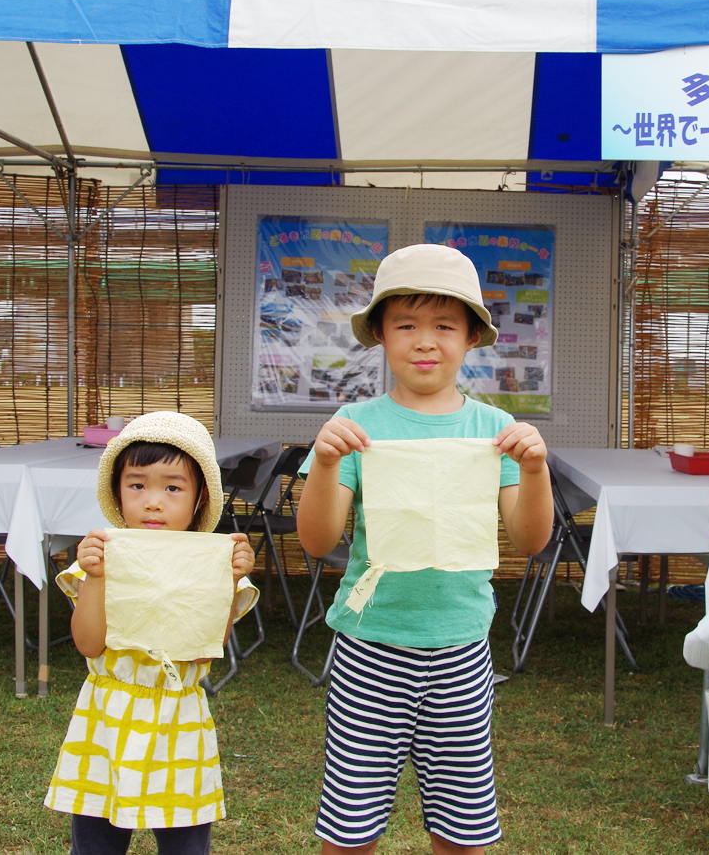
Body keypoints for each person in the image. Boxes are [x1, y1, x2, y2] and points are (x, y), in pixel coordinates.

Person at [295, 244, 555, 855]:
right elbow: (317, 540)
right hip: (368, 645)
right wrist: (328, 461)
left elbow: (530, 539)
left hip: (461, 646)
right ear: (382, 336)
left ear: (470, 338)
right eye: (406, 325)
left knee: (463, 830)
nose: (424, 341)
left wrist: (538, 470)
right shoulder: (355, 424)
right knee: (350, 826)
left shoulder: (494, 431)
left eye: (444, 325)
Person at [44, 411, 258, 855]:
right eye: (137, 484)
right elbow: (87, 643)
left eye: (172, 487)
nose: (153, 501)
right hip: (107, 717)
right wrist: (96, 577)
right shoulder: (101, 558)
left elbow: (209, 645)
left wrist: (226, 579)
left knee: (185, 844)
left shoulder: (210, 563)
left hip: (180, 723)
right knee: (97, 843)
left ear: (199, 500)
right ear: (117, 492)